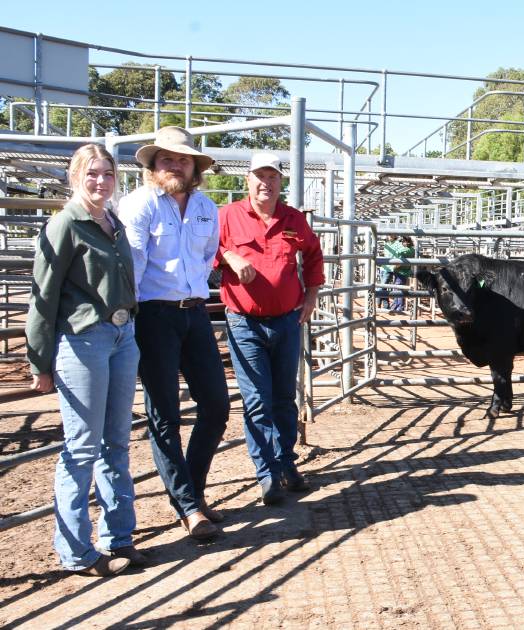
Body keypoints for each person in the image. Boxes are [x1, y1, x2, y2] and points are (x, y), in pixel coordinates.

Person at [26, 144, 142, 576]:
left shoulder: (114, 223)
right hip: (83, 340)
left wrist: (132, 322)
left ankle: (120, 538)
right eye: (92, 173)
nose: (101, 182)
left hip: (121, 335)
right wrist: (39, 360)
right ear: (76, 176)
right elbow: (44, 295)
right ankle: (76, 551)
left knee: (117, 441)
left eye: (108, 174)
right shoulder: (65, 225)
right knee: (81, 447)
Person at [118, 126, 229, 542]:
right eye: (166, 158)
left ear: (195, 167)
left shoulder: (205, 206)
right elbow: (133, 266)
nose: (175, 164)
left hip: (195, 311)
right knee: (164, 412)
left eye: (183, 159)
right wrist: (129, 320)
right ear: (152, 165)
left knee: (216, 405)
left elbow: (204, 257)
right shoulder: (139, 204)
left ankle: (191, 494)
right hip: (153, 315)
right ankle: (187, 505)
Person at [217, 152, 325, 504]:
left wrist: (311, 295)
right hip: (244, 321)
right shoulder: (228, 216)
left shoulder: (293, 219)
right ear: (247, 179)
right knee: (257, 400)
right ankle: (266, 472)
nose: (266, 183)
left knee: (283, 398)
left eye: (273, 177)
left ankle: (285, 463)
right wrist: (228, 256)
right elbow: (205, 248)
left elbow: (312, 253)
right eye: (259, 176)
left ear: (281, 182)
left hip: (286, 320)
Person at [381, 235, 415, 313]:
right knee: (398, 288)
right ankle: (396, 305)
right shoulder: (412, 250)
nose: (402, 243)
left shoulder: (403, 251)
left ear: (406, 242)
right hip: (406, 271)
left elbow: (399, 262)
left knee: (398, 289)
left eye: (403, 241)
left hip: (400, 271)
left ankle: (399, 307)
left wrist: (394, 268)